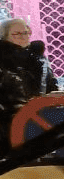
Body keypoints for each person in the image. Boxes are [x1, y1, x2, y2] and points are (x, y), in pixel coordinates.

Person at [0, 19, 56, 151]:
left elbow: (51, 87)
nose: (23, 37)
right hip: (7, 127)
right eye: (17, 34)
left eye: (25, 32)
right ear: (5, 37)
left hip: (39, 121)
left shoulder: (40, 60)